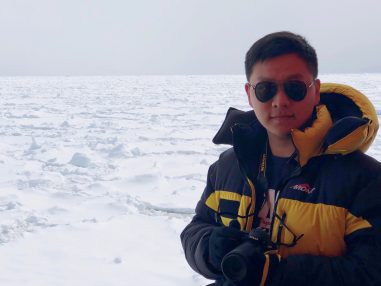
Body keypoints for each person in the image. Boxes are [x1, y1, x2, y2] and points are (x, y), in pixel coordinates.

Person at [180, 31, 381, 286]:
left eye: (295, 88)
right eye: (265, 89)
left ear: (315, 91)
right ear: (249, 94)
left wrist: (273, 274)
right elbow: (195, 229)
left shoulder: (365, 180)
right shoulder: (227, 168)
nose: (280, 101)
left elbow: (371, 272)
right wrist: (210, 247)